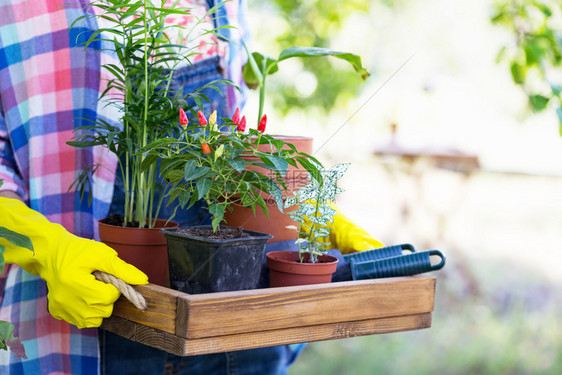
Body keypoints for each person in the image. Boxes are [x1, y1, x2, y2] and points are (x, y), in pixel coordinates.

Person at [0, 0, 382, 374]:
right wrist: (44, 247)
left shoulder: (228, 6)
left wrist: (299, 209)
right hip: (107, 312)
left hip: (245, 328)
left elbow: (229, 139)